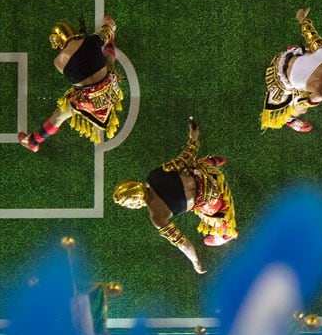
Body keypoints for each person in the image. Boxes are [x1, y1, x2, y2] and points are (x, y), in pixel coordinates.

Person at [112, 120, 237, 274]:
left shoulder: (157, 217)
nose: (131, 207)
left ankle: (224, 235)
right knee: (196, 165)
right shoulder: (154, 176)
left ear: (135, 200)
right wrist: (194, 138)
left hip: (212, 199)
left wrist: (195, 261)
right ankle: (212, 161)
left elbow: (182, 243)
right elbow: (185, 158)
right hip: (208, 174)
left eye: (129, 205)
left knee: (217, 226)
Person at [18, 16, 122, 152]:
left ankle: (34, 141)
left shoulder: (58, 62)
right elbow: (107, 28)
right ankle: (112, 40)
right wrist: (108, 25)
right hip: (108, 92)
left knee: (58, 115)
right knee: (109, 60)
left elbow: (79, 70)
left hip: (87, 101)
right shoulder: (91, 40)